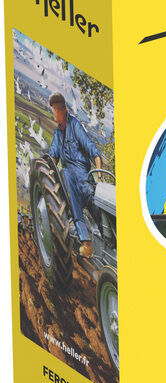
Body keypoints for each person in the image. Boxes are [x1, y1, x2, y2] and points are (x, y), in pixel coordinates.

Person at [46, 92, 102, 259]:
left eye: (56, 110)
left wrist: (99, 177)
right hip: (70, 178)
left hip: (83, 176)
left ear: (63, 110)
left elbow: (93, 150)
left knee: (96, 208)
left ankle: (110, 243)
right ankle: (86, 243)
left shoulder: (75, 125)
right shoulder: (57, 133)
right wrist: (49, 168)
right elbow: (53, 156)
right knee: (66, 176)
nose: (54, 114)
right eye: (53, 111)